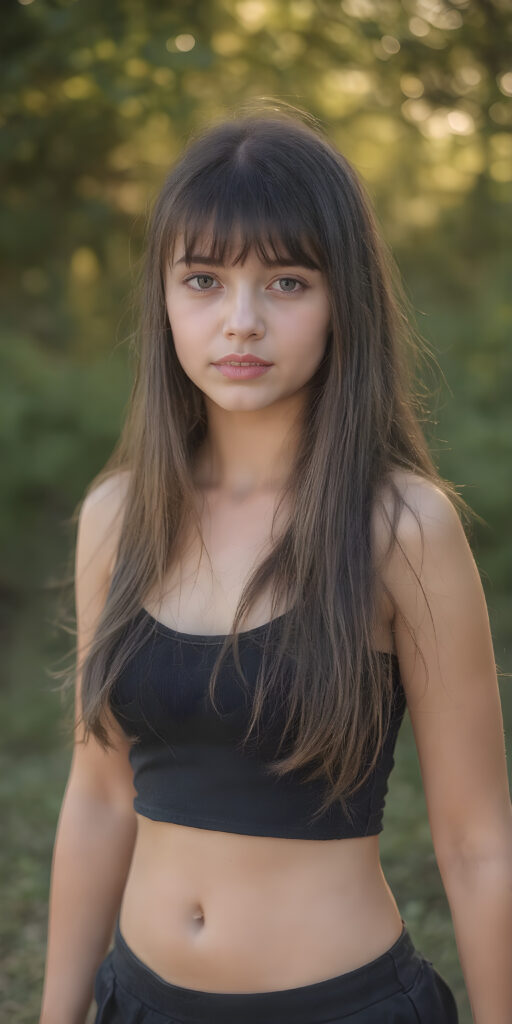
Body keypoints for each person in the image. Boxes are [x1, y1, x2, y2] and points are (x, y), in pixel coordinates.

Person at [39, 101, 512, 1024]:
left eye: (287, 282)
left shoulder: (402, 527)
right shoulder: (116, 517)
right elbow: (98, 798)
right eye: (205, 280)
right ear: (165, 300)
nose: (241, 322)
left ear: (344, 302)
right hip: (137, 1003)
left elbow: (476, 840)